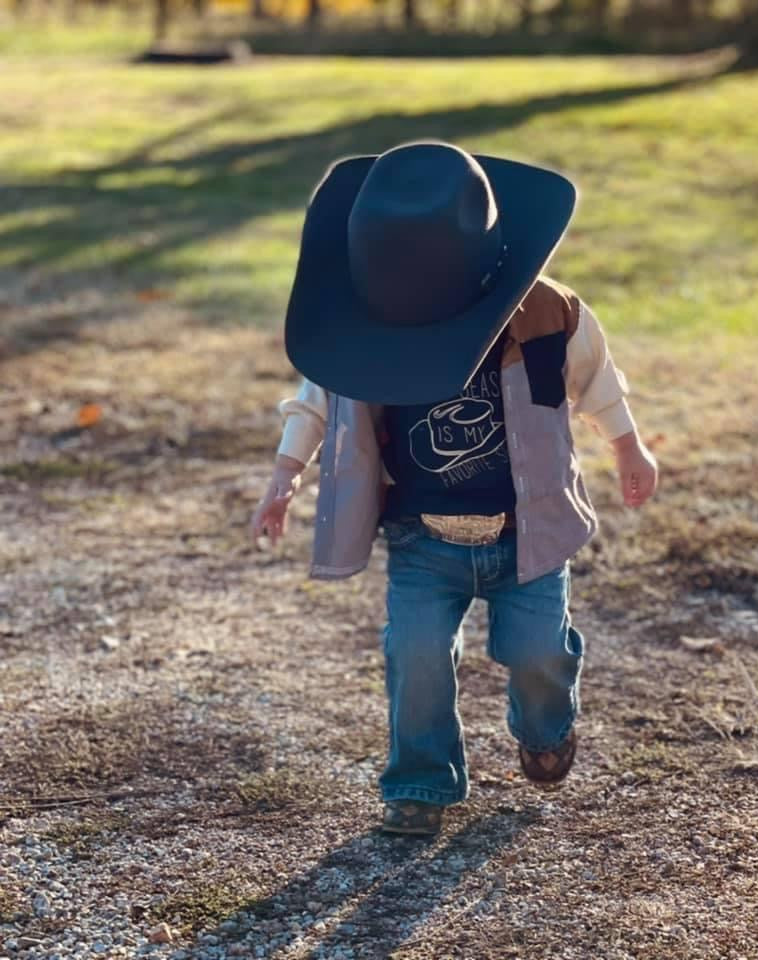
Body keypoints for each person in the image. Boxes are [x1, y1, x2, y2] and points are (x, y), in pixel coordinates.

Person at [250, 141, 658, 836]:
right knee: (414, 657)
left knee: (537, 656)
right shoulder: (363, 328)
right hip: (422, 539)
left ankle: (544, 728)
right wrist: (285, 476)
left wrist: (628, 446)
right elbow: (316, 402)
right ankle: (419, 784)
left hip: (527, 535)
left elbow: (599, 383)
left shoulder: (549, 315)